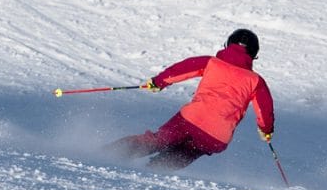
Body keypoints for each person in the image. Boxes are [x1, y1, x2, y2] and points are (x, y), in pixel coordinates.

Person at [111, 29, 275, 171]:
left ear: (227, 44)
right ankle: (155, 171)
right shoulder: (256, 81)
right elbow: (264, 110)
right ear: (254, 55)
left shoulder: (212, 62)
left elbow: (182, 69)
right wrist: (266, 130)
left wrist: (158, 82)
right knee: (186, 152)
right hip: (217, 136)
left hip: (191, 119)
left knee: (157, 141)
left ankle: (108, 155)